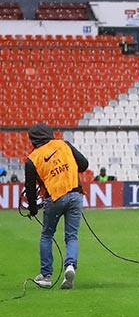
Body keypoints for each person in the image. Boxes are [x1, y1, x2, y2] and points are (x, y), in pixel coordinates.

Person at [24, 123, 89, 289]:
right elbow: (84, 165)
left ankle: (46, 276)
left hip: (54, 199)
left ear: (33, 139)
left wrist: (32, 209)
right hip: (75, 195)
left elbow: (30, 188)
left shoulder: (32, 159)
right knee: (71, 236)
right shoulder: (63, 144)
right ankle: (70, 266)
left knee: (47, 235)